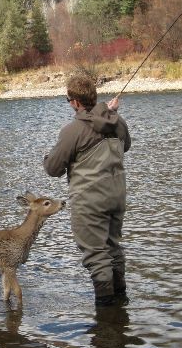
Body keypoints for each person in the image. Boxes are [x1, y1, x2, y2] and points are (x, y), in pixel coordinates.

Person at [44, 73, 131, 306]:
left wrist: (46, 158)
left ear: (75, 102)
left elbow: (53, 168)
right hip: (117, 197)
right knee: (113, 248)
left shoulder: (73, 130)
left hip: (90, 201)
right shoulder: (117, 122)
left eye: (68, 100)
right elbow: (127, 145)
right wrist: (111, 114)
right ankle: (120, 304)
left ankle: (106, 313)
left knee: (96, 255)